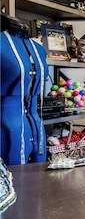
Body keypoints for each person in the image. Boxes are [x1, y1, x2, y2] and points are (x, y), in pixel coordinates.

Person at [1, 13, 48, 165]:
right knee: (11, 184)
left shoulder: (39, 49)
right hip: (6, 129)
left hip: (37, 127)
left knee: (38, 181)